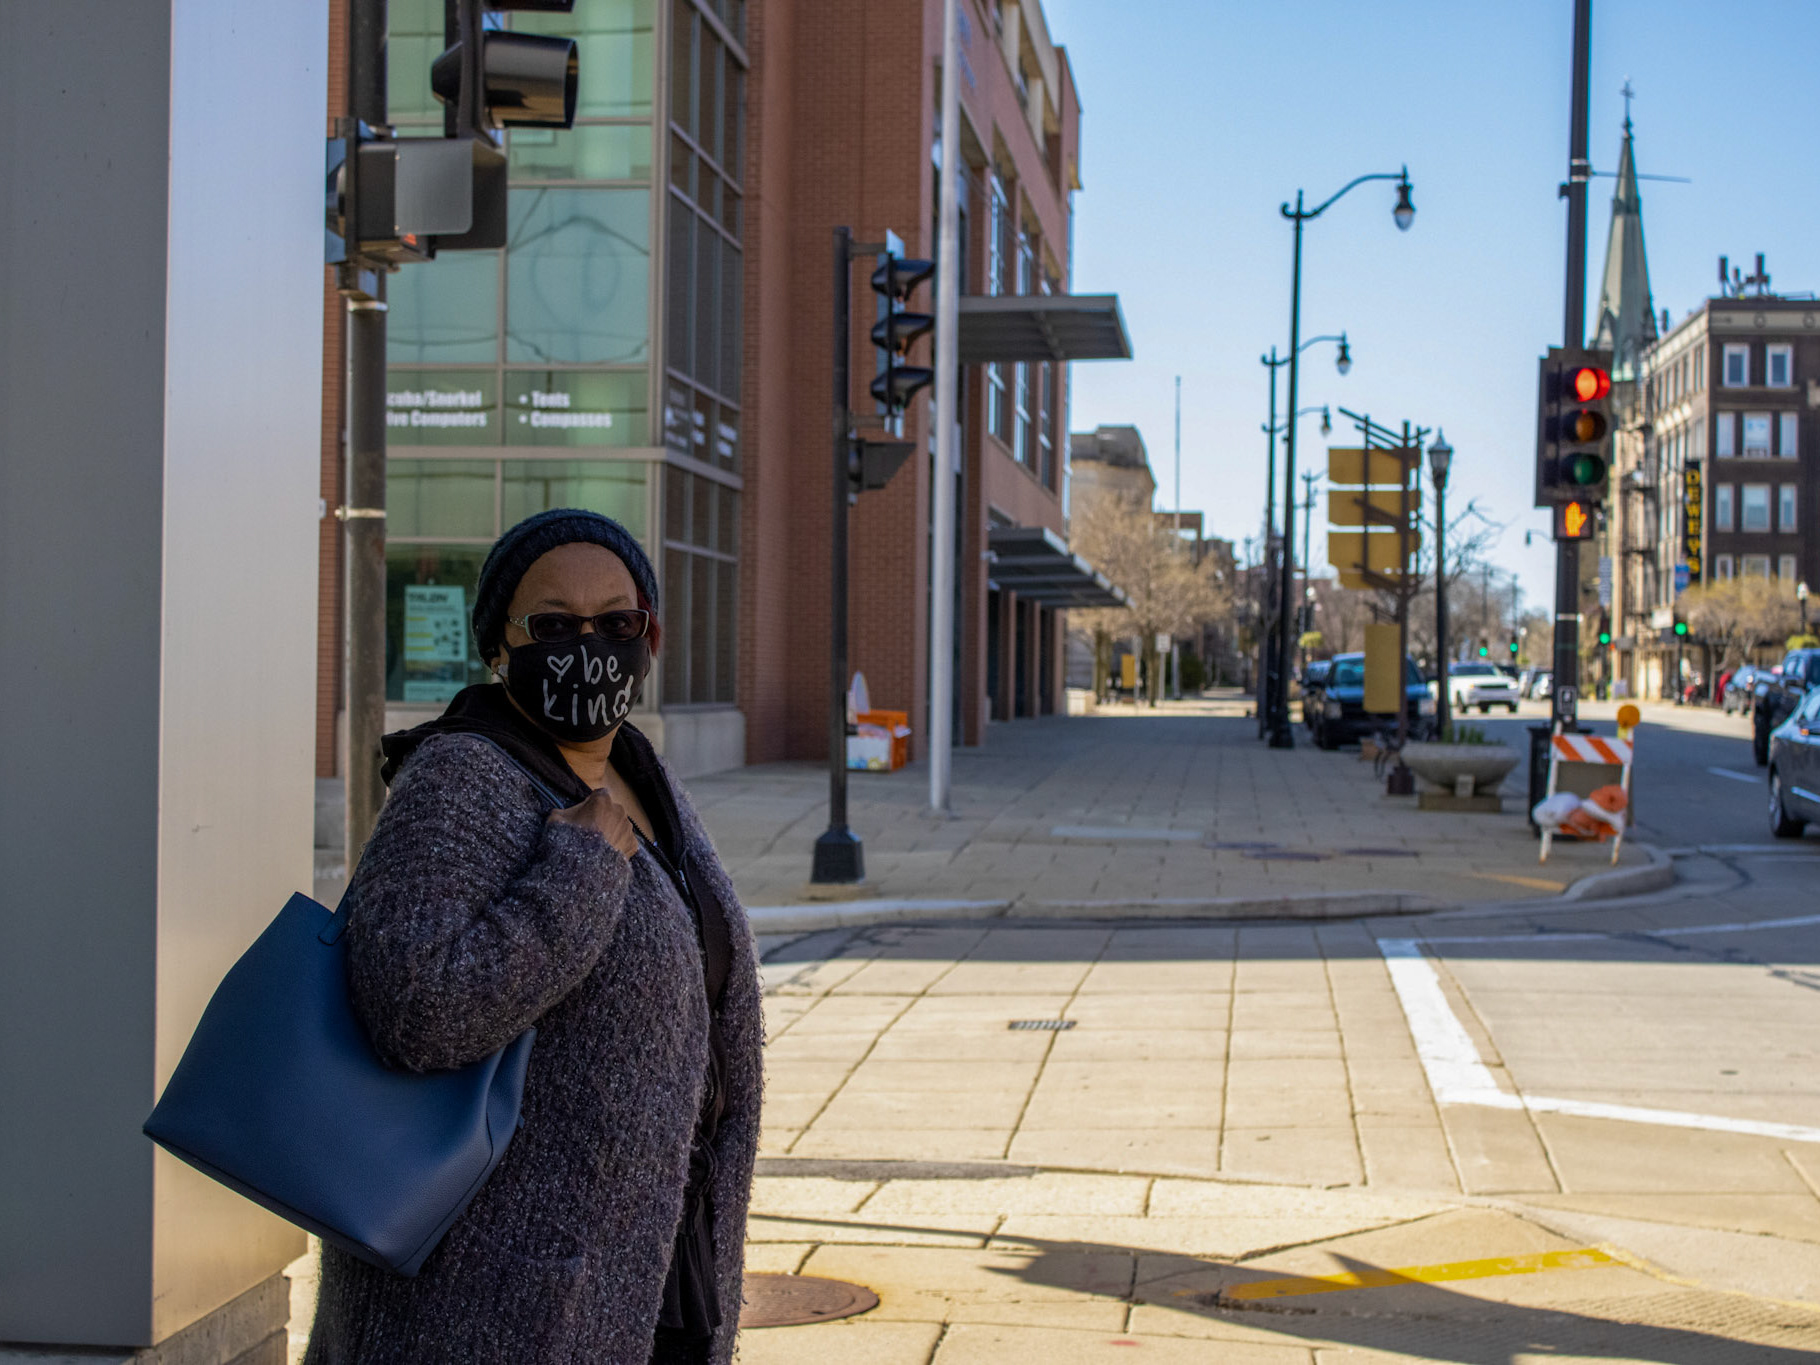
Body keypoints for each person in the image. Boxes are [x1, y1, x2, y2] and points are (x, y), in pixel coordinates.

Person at [306, 509, 761, 1365]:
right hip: (495, 1303)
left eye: (617, 623)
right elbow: (416, 1009)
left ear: (649, 637)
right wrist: (579, 869)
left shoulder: (640, 771)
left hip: (648, 1268)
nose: (589, 647)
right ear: (498, 646)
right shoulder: (459, 778)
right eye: (554, 626)